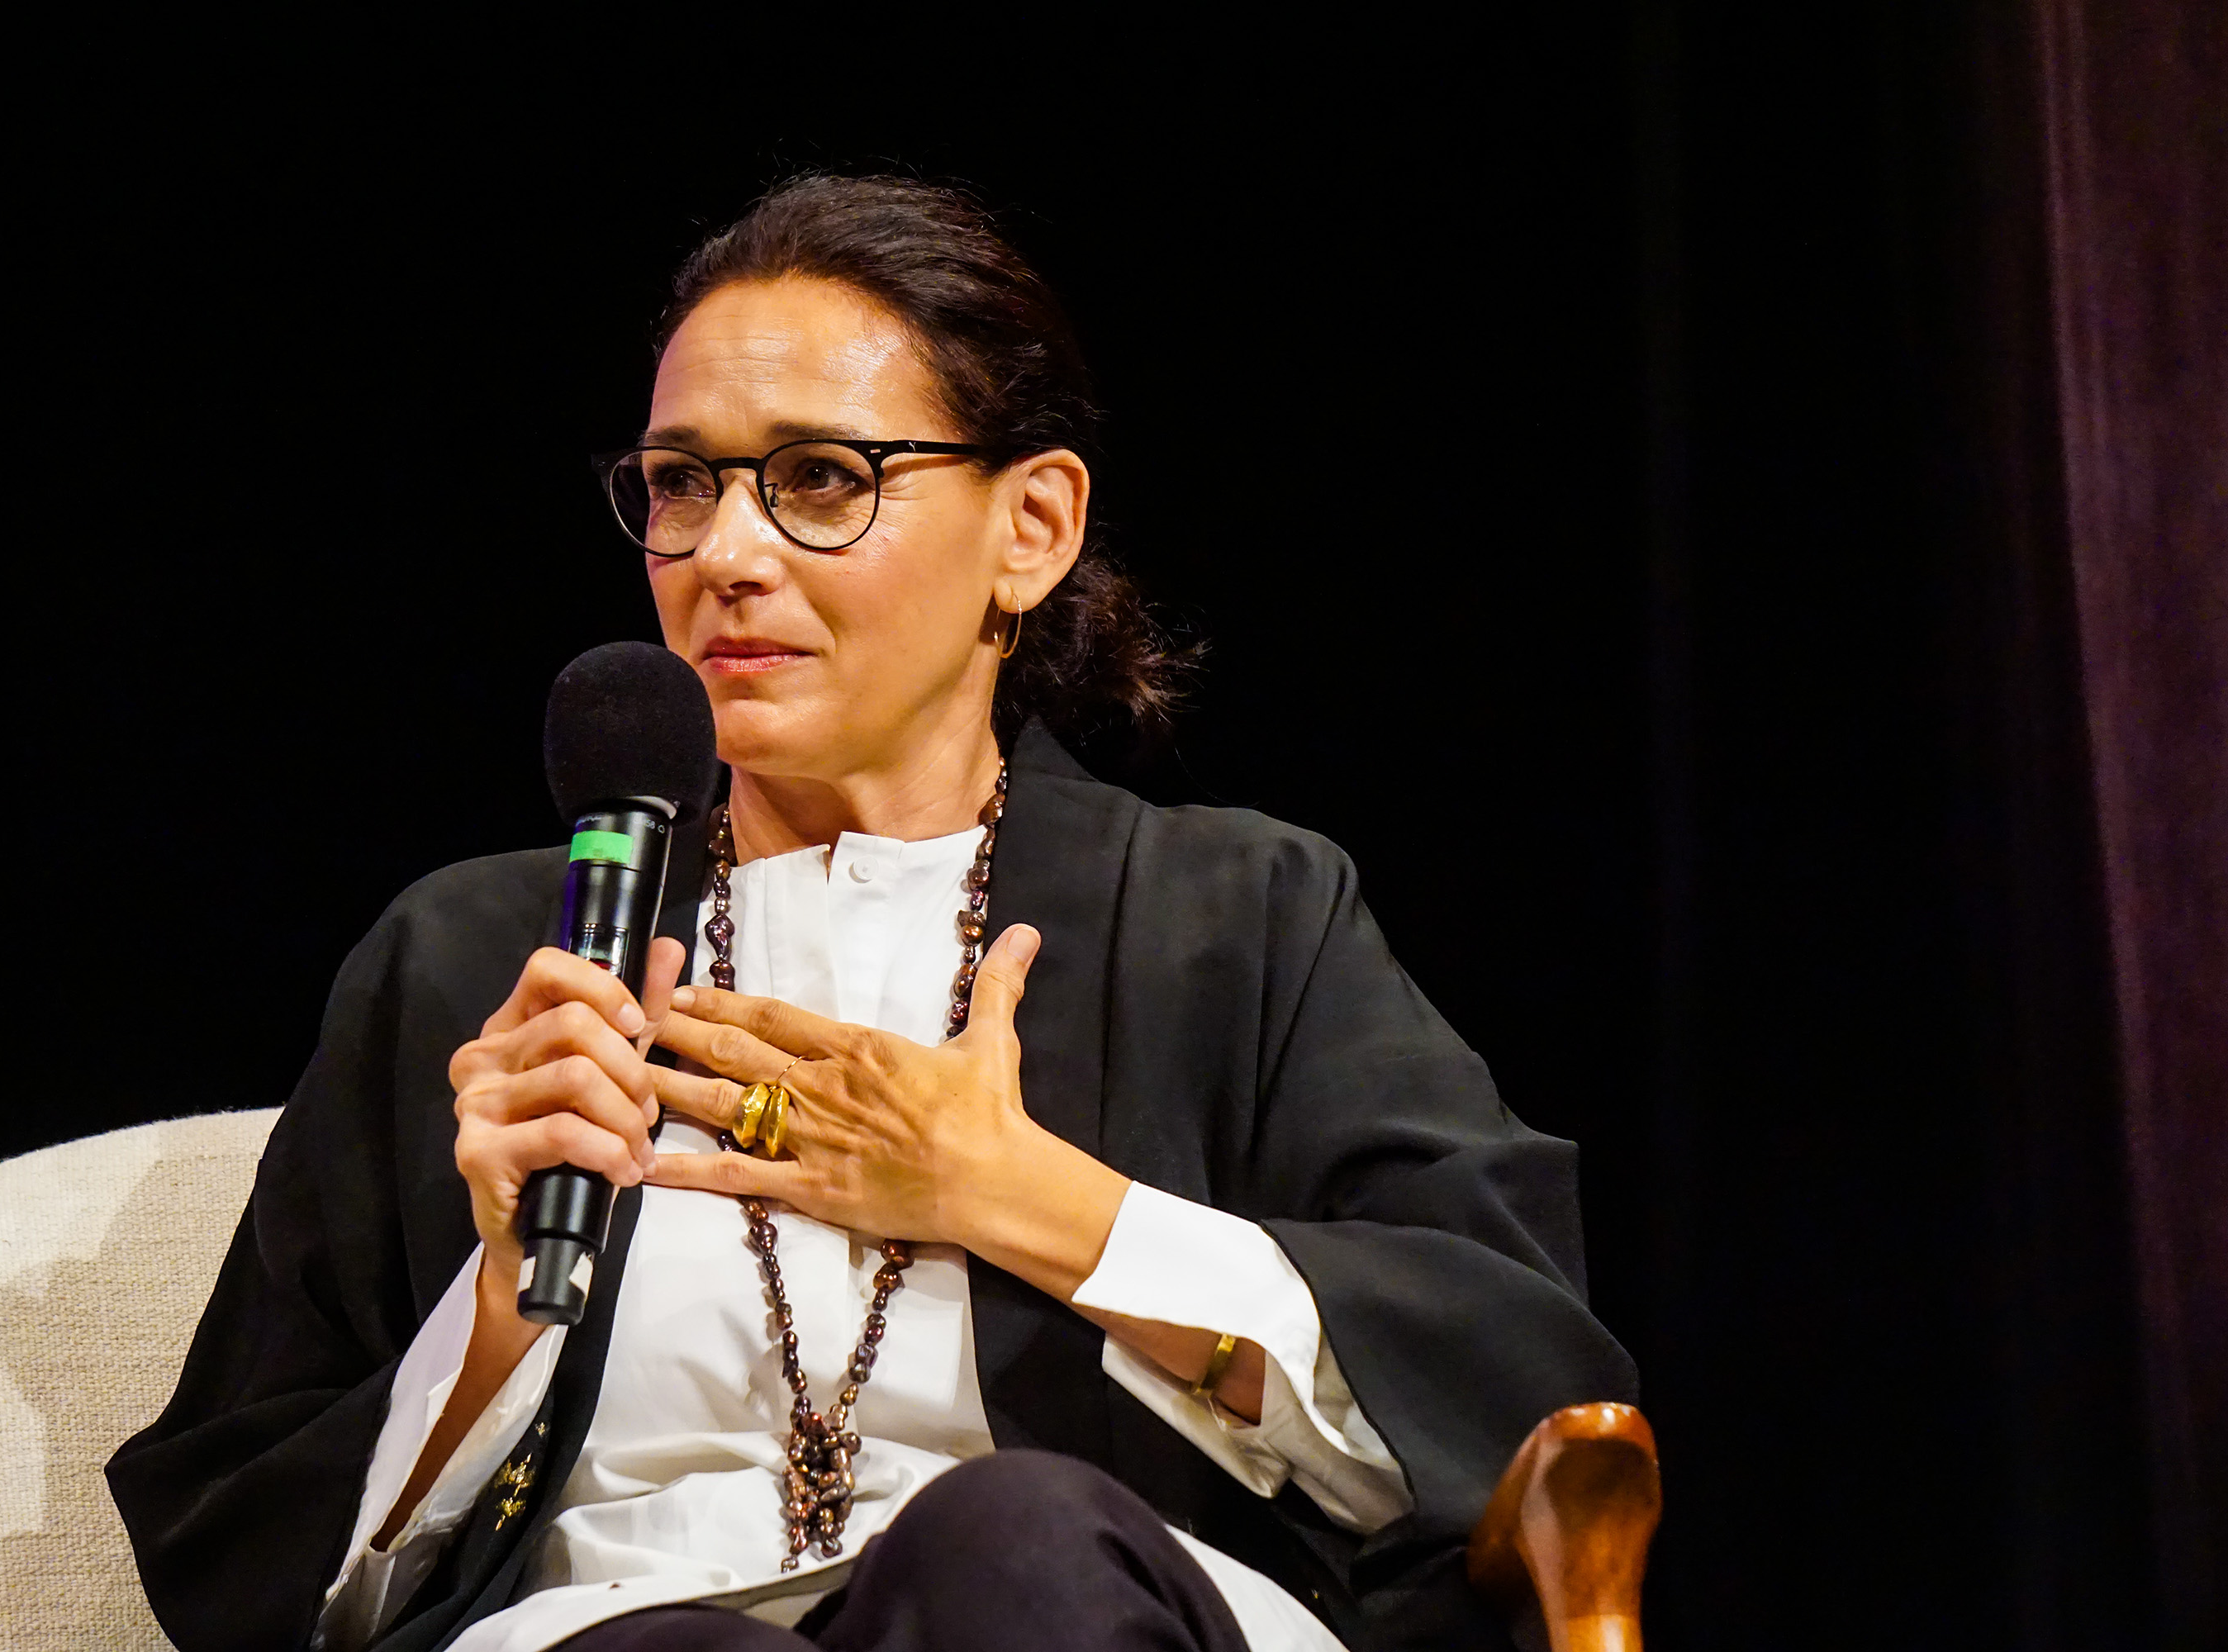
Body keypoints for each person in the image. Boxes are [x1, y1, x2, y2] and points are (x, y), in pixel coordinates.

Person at [107, 173, 1635, 1652]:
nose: (726, 555)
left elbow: (1505, 1390)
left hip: (1073, 1611)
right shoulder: (475, 962)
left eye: (823, 481)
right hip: (623, 1626)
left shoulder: (1233, 918)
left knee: (1012, 1542)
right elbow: (247, 1560)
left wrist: (1018, 1197)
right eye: (682, 484)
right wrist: (505, 1296)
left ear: (1030, 527)